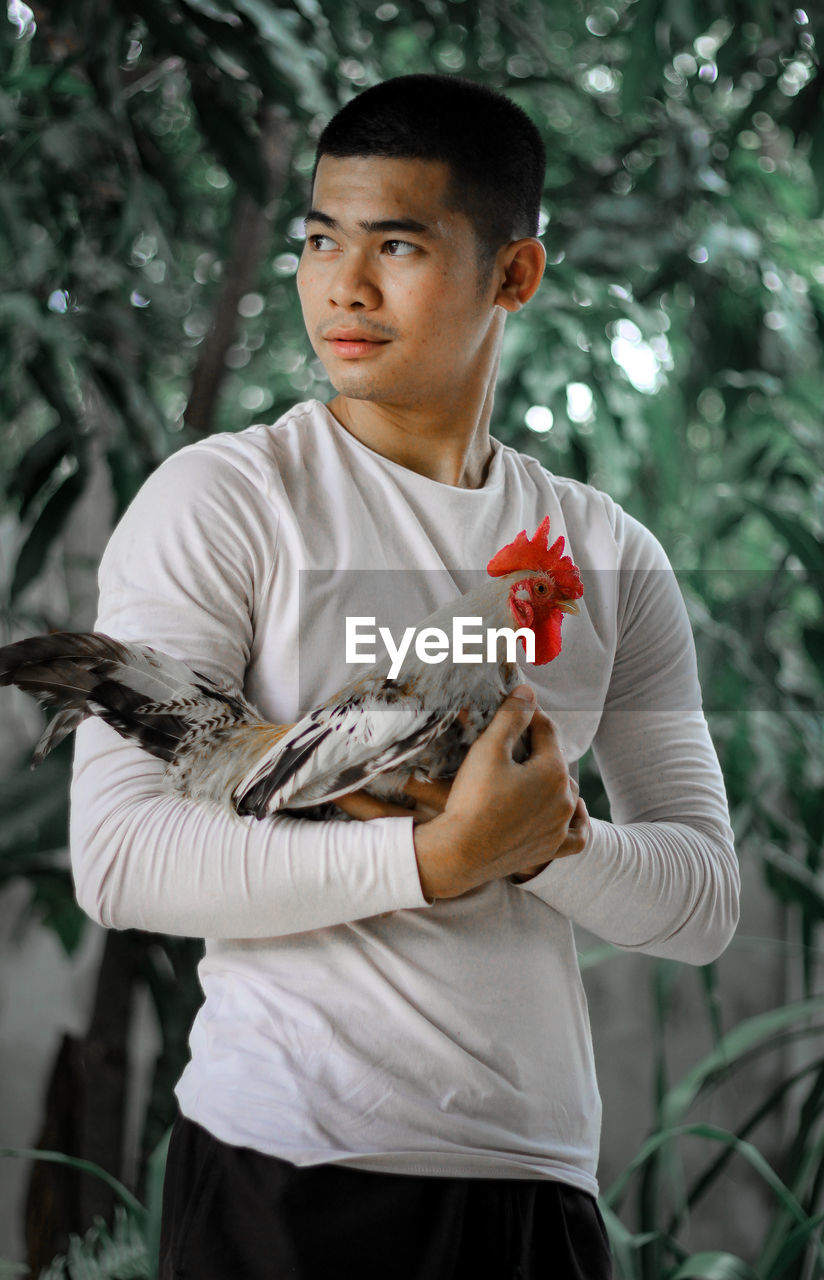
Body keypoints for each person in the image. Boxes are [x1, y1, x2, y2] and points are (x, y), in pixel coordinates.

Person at [69, 74, 739, 1279]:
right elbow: (120, 858)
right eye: (321, 239)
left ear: (514, 276)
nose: (344, 284)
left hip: (536, 1179)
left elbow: (702, 900)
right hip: (287, 1165)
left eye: (396, 245)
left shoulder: (605, 551)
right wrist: (440, 857)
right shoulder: (228, 498)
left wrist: (550, 844)